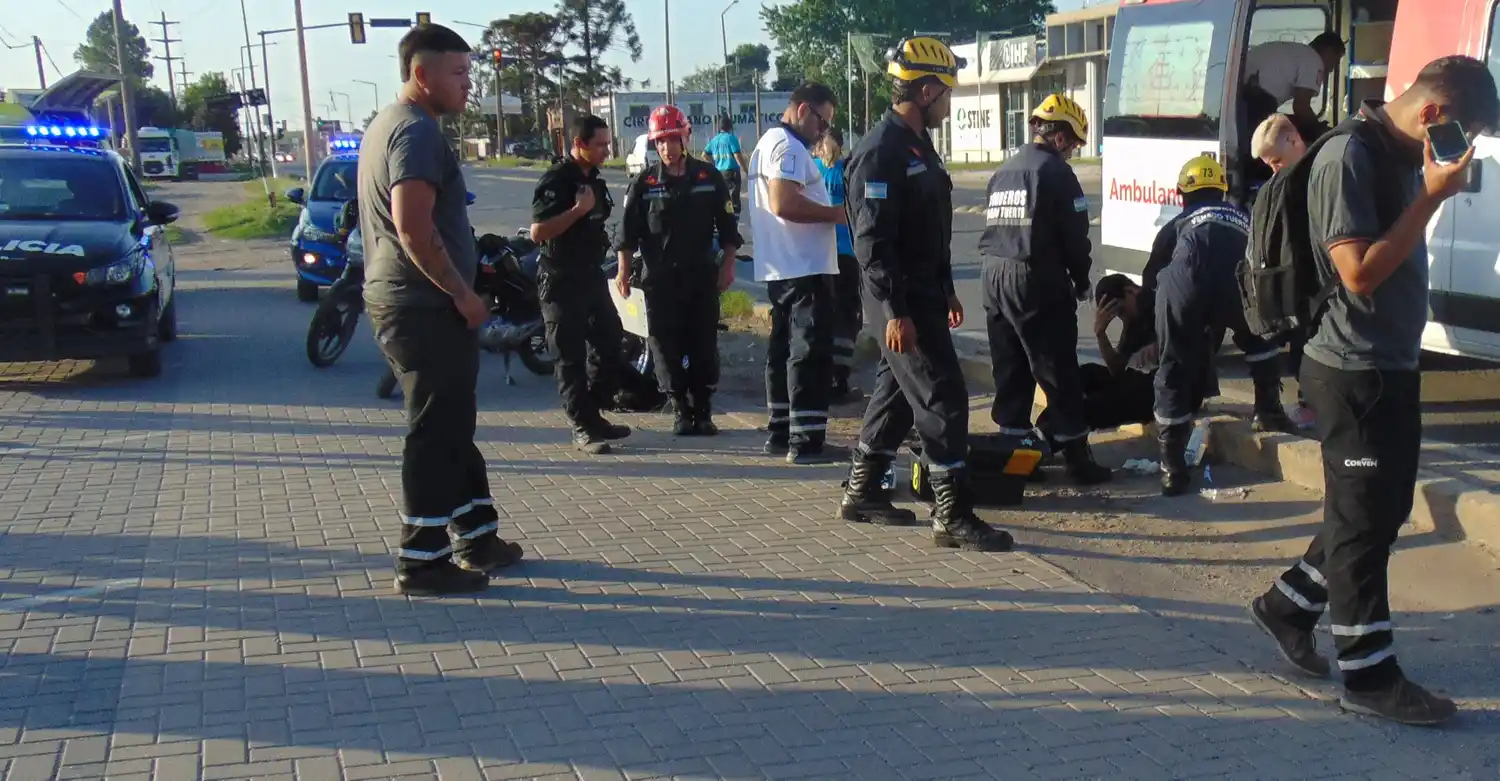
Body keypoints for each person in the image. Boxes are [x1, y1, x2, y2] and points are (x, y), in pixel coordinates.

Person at [1250, 55, 1498, 726]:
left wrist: (1424, 189)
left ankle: (1287, 605)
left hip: (1388, 365)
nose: (1461, 149)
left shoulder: (1393, 153)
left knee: (1376, 513)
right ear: (1432, 115)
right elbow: (1357, 271)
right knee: (1362, 527)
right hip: (1350, 370)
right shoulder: (1347, 159)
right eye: (1461, 132)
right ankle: (1368, 675)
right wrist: (1432, 196)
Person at [359, 23, 522, 596]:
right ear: (421, 74)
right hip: (424, 303)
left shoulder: (386, 123)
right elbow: (412, 226)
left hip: (405, 299)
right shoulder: (417, 132)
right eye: (458, 73)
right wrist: (463, 293)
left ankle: (477, 535)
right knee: (435, 429)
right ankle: (421, 559)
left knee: (451, 420)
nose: (468, 85)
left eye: (470, 72)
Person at [842, 36, 1013, 552]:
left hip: (922, 294)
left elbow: (927, 229)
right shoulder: (881, 151)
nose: (950, 103)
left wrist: (945, 291)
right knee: (944, 396)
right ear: (926, 89)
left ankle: (863, 490)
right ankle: (952, 515)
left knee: (896, 395)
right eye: (947, 94)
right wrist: (894, 309)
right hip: (899, 299)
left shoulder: (917, 145)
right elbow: (873, 242)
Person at [977, 93, 1111, 485]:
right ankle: (1078, 460)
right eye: (1073, 144)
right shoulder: (1055, 173)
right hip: (1033, 279)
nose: (1072, 152)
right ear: (1060, 138)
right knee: (1057, 370)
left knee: (1011, 369)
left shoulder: (1004, 170)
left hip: (993, 276)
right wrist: (1083, 280)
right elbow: (1075, 236)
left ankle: (1017, 457)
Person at [1151, 155, 1289, 495]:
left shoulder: (1179, 222)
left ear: (1182, 192)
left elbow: (1153, 273)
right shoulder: (1242, 217)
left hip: (1187, 281)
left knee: (1173, 365)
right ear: (1222, 191)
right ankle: (1267, 410)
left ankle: (1173, 469)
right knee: (1260, 336)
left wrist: (1158, 328)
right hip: (1237, 283)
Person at [615, 105, 743, 436]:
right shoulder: (644, 184)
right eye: (660, 142)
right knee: (665, 347)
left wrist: (727, 266)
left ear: (685, 137)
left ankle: (703, 410)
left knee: (702, 345)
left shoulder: (708, 177)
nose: (667, 148)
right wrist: (623, 272)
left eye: (673, 140)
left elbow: (729, 228)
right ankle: (680, 411)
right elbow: (626, 233)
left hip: (701, 279)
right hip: (659, 282)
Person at [747, 81, 845, 464]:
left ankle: (782, 430)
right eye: (823, 121)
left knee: (783, 348)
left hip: (782, 266)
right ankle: (806, 441)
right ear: (803, 110)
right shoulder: (788, 147)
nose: (824, 131)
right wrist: (837, 215)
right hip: (802, 267)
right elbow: (782, 202)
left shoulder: (768, 142)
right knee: (808, 351)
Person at [530, 115, 632, 454]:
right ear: (579, 145)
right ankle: (582, 426)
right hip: (560, 279)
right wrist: (576, 210)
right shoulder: (558, 181)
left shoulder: (596, 181)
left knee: (610, 341)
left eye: (608, 142)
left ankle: (594, 412)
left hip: (590, 276)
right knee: (569, 356)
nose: (607, 150)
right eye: (601, 144)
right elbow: (538, 232)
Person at [1252, 113, 1316, 429]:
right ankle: (1309, 402)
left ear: (1294, 139)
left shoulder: (1319, 171)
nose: (1274, 169)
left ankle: (1310, 404)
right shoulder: (1293, 178)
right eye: (1268, 165)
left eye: (1276, 160)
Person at [1069, 274, 1158, 433]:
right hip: (1138, 381)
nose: (1123, 318)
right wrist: (1101, 333)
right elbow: (1116, 370)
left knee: (1099, 405)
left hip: (1162, 388)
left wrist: (1162, 346)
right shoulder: (1133, 321)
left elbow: (1193, 337)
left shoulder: (1159, 303)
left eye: (1122, 311)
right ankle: (1045, 429)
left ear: (1131, 291)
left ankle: (1052, 435)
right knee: (1084, 374)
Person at [814, 128, 861, 400]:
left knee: (823, 314)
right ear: (842, 146)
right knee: (847, 316)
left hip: (820, 253)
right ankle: (839, 380)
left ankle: (821, 375)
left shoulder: (812, 170)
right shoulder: (847, 171)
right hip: (848, 253)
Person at [1243, 32, 1346, 141]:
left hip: (1244, 96)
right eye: (1335, 61)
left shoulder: (1299, 53)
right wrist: (1320, 131)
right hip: (1253, 102)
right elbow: (1301, 107)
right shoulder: (1314, 60)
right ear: (1328, 51)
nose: (1332, 68)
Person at [704, 116, 748, 215]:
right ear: (730, 127)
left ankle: (726, 216)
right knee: (734, 198)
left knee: (724, 197)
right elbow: (737, 155)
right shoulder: (731, 138)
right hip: (732, 172)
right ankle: (734, 220)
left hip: (719, 172)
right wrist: (746, 170)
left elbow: (704, 154)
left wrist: (714, 163)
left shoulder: (714, 140)